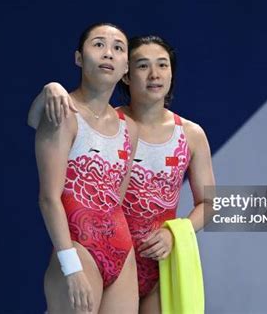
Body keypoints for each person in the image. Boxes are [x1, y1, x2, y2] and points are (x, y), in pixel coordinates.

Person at [29, 35, 215, 314]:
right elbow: (39, 123)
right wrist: (49, 91)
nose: (154, 75)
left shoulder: (190, 135)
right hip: (97, 250)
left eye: (163, 65)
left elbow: (211, 203)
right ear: (127, 73)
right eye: (142, 66)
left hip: (155, 267)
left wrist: (174, 235)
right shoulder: (109, 123)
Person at [33, 23, 139, 314]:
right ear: (79, 58)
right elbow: (49, 198)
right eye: (98, 45)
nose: (108, 54)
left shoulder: (130, 128)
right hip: (78, 248)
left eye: (118, 48)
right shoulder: (62, 112)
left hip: (122, 251)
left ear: (125, 67)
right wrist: (71, 267)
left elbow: (116, 198)